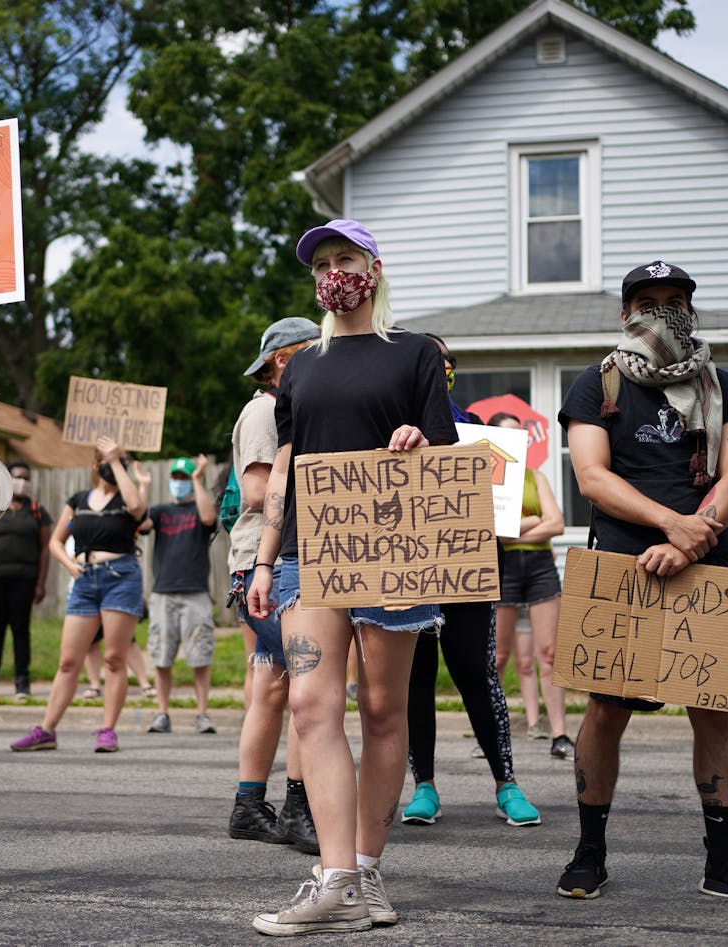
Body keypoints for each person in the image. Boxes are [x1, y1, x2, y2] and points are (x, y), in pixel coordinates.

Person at [557, 261, 728, 907]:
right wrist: (671, 526)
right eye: (647, 301)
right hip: (621, 569)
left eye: (674, 301)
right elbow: (591, 477)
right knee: (606, 711)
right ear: (625, 313)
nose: (661, 311)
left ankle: (725, 863)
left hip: (706, 570)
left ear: (691, 310)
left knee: (712, 710)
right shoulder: (595, 385)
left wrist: (693, 536)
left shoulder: (725, 386)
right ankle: (589, 853)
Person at [246, 219, 456, 935]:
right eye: (323, 263)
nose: (334, 271)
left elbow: (448, 457)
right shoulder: (301, 366)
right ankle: (334, 877)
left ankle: (366, 866)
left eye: (346, 259)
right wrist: (267, 556)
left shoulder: (417, 353)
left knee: (382, 711)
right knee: (309, 704)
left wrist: (418, 440)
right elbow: (286, 468)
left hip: (393, 548)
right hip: (309, 554)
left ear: (373, 268)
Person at [400, 337, 541, 830]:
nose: (438, 369)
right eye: (427, 362)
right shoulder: (396, 432)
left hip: (468, 572)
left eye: (444, 362)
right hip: (413, 574)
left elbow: (503, 514)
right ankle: (424, 787)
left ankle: (507, 784)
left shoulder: (482, 435)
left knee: (477, 676)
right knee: (415, 680)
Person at [226, 317, 320, 853]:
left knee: (273, 687)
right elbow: (259, 491)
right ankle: (298, 807)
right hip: (264, 562)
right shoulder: (267, 410)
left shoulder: (270, 408)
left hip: (256, 560)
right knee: (308, 682)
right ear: (284, 360)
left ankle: (249, 805)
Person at [11, 437, 147, 753]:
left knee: (114, 658)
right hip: (85, 580)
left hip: (120, 578)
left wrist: (116, 460)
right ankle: (46, 730)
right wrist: (69, 564)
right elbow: (56, 541)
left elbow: (139, 509)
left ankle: (108, 730)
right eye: (109, 459)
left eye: (121, 460)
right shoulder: (79, 499)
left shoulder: (128, 498)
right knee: (69, 661)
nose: (115, 464)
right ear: (94, 465)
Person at [488, 411, 571, 760]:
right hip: (503, 569)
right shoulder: (486, 481)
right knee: (498, 657)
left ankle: (559, 734)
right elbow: (494, 535)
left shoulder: (536, 477)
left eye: (519, 435)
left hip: (539, 567)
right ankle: (491, 736)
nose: (516, 441)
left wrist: (519, 528)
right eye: (507, 435)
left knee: (550, 654)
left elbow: (558, 524)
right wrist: (535, 520)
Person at [146, 455, 219, 734]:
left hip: (195, 593)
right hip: (163, 593)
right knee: (161, 657)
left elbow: (209, 518)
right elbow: (140, 524)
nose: (179, 483)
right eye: (175, 478)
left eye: (184, 478)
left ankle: (202, 713)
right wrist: (142, 485)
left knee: (200, 656)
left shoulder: (199, 508)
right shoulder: (161, 511)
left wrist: (198, 480)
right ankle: (162, 712)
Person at [0, 459, 50, 699]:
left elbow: (45, 549)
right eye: (17, 476)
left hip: (25, 580)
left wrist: (40, 583)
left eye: (26, 478)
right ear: (7, 479)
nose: (22, 482)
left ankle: (22, 682)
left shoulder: (37, 511)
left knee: (21, 629)